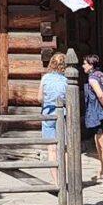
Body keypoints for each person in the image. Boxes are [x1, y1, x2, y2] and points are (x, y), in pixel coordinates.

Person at [83, 53, 103, 192]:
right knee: (99, 141)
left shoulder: (93, 79)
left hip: (100, 116)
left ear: (91, 65)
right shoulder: (102, 75)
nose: (83, 66)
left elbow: (100, 95)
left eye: (85, 63)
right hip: (101, 115)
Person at [39, 52, 67, 186]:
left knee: (51, 150)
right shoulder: (66, 80)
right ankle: (65, 178)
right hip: (63, 114)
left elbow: (39, 98)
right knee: (64, 148)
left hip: (48, 113)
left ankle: (56, 181)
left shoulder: (45, 78)